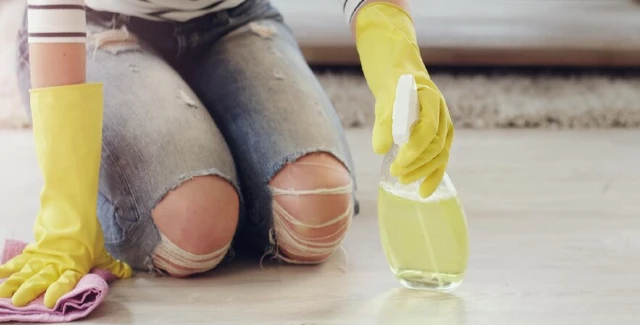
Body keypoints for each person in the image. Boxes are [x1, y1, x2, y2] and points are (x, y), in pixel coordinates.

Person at [0, 0, 454, 308]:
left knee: (317, 213)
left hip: (233, 20)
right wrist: (67, 213)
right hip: (98, 26)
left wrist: (393, 48)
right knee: (194, 224)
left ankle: (203, 141)